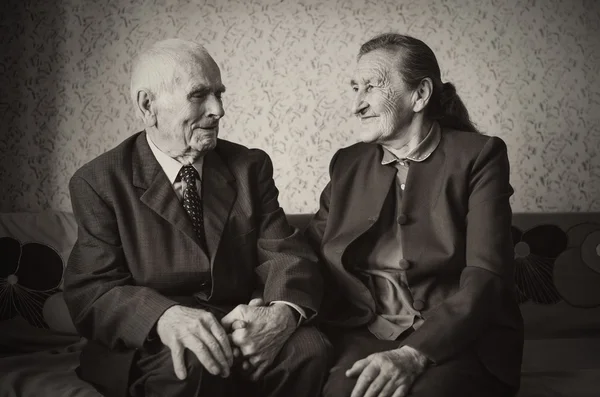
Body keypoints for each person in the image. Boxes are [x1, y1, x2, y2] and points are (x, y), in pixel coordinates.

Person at [63, 38, 331, 397]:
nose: (218, 110)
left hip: (236, 320)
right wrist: (164, 317)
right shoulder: (98, 181)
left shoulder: (249, 166)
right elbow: (93, 290)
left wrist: (282, 314)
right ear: (148, 105)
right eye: (199, 95)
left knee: (309, 350)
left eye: (219, 94)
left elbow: (284, 252)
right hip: (152, 335)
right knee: (194, 363)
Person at [305, 33, 523, 397]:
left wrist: (415, 353)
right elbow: (311, 248)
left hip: (459, 339)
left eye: (371, 87)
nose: (356, 105)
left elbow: (487, 275)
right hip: (368, 332)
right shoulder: (348, 163)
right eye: (355, 88)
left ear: (420, 94)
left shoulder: (479, 156)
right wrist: (274, 302)